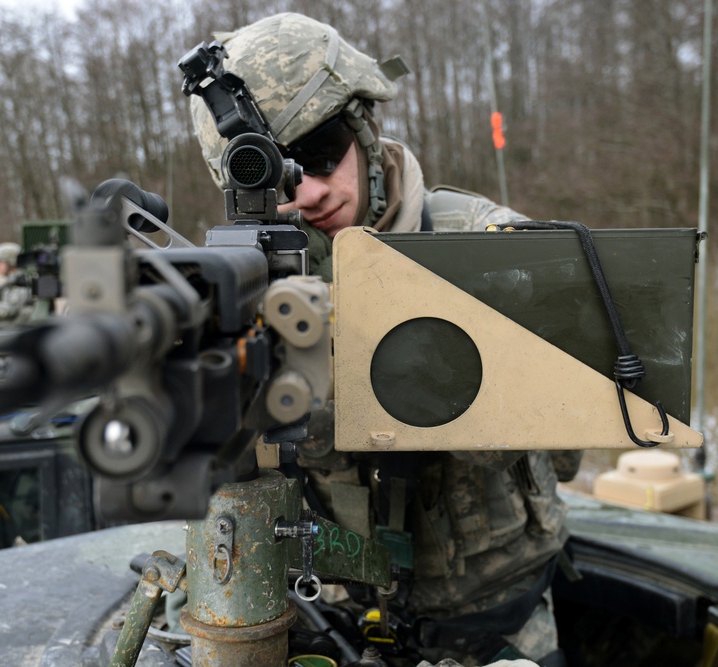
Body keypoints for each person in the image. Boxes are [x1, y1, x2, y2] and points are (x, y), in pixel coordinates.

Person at [189, 13, 582, 667]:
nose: (307, 190)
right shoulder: (241, 285)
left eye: (318, 153)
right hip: (327, 613)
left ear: (366, 125)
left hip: (495, 619)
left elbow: (571, 445)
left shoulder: (487, 246)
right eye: (275, 175)